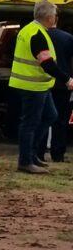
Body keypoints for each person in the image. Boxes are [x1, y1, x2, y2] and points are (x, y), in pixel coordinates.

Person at [8, 0, 73, 173]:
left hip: (37, 84)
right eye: (55, 15)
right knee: (30, 123)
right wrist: (67, 79)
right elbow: (47, 63)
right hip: (32, 85)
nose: (56, 18)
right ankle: (25, 161)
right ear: (50, 17)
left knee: (50, 116)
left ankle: (32, 154)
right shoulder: (37, 34)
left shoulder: (32, 30)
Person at [47, 25, 73, 162]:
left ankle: (38, 152)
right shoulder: (67, 38)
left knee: (42, 118)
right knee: (61, 120)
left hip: (43, 83)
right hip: (63, 84)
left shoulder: (38, 36)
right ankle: (58, 154)